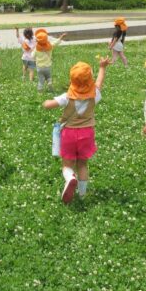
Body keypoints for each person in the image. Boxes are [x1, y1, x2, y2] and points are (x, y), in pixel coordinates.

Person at [42, 57, 109, 203]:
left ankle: (70, 177)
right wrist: (102, 67)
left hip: (69, 133)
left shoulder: (67, 97)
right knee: (83, 164)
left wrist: (46, 102)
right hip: (87, 133)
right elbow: (99, 82)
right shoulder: (95, 94)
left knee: (67, 165)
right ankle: (82, 195)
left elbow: (48, 105)